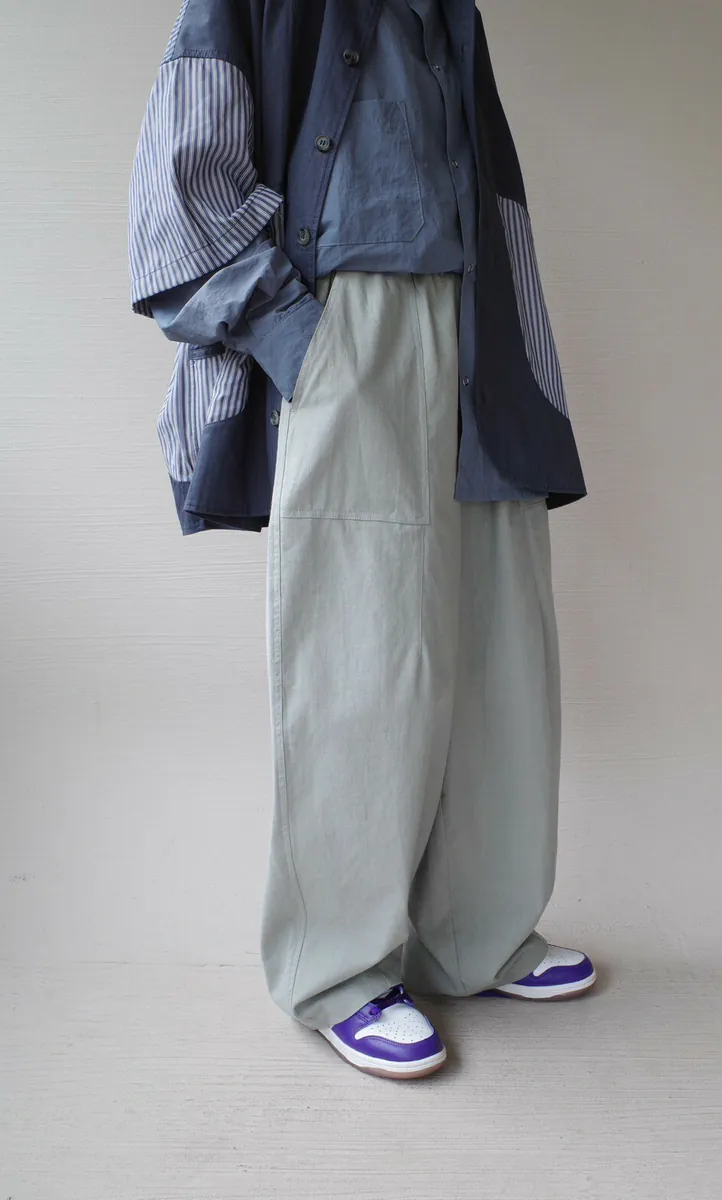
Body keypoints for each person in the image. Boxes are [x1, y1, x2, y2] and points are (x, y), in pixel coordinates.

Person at [128, 0, 593, 1079]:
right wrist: (299, 337)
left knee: (498, 641)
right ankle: (338, 966)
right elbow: (182, 176)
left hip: (473, 321)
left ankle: (473, 933)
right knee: (359, 642)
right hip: (352, 317)